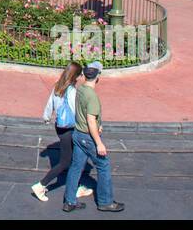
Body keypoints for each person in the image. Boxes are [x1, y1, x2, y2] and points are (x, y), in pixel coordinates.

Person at [62, 61, 124, 213]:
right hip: (88, 137)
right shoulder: (93, 97)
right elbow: (90, 120)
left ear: (84, 75)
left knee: (76, 167)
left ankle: (69, 201)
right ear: (98, 77)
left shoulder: (80, 89)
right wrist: (99, 143)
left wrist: (97, 123)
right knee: (103, 166)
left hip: (77, 134)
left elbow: (83, 114)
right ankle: (105, 201)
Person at [30, 62, 93, 203]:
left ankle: (75, 187)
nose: (82, 76)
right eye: (80, 74)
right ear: (75, 76)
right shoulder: (71, 90)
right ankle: (41, 185)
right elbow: (76, 111)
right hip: (70, 129)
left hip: (60, 127)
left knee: (76, 158)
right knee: (67, 161)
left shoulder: (58, 86)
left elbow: (49, 104)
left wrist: (46, 118)